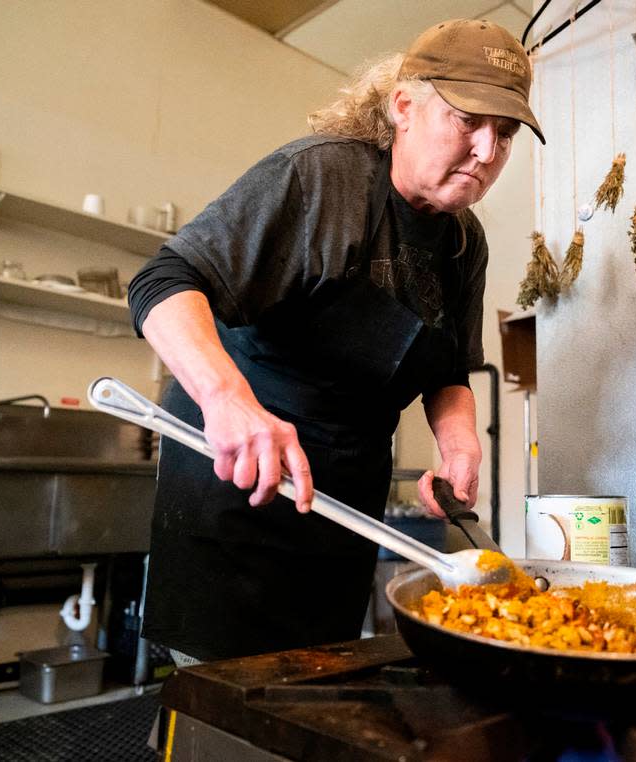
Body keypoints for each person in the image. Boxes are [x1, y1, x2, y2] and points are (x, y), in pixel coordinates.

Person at [126, 18, 545, 664]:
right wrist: (227, 400)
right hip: (237, 500)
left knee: (317, 698)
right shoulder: (319, 179)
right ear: (404, 106)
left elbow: (450, 370)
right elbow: (164, 281)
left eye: (506, 133)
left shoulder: (465, 242)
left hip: (342, 514)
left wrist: (459, 443)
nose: (489, 151)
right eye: (470, 121)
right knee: (226, 714)